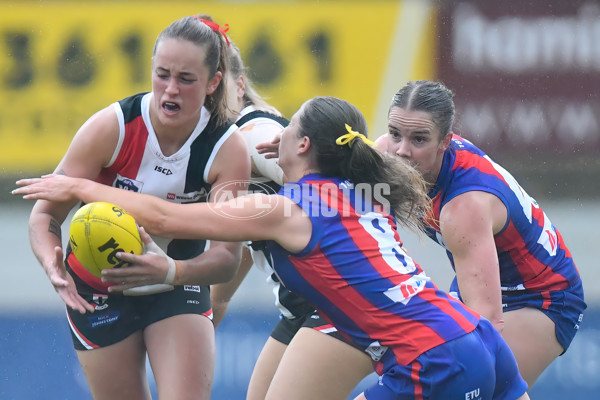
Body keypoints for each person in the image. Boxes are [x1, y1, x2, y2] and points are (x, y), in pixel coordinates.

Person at [15, 96, 530, 400]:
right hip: (477, 340)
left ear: (303, 145)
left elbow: (166, 216)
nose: (276, 134)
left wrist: (78, 187)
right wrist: (287, 156)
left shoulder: (287, 208)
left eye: (290, 130)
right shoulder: (360, 192)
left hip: (429, 358)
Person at [21, 15, 250, 400]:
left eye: (186, 79)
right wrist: (50, 262)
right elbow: (44, 215)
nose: (170, 90)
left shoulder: (227, 148)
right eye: (162, 74)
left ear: (214, 83)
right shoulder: (111, 127)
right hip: (97, 288)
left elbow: (227, 258)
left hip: (177, 282)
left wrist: (173, 270)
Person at [376, 80, 586, 388]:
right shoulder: (390, 152)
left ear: (445, 141)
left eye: (419, 139)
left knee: (464, 385)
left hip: (542, 299)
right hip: (485, 285)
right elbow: (324, 182)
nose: (402, 151)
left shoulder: (464, 207)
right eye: (395, 133)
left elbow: (486, 319)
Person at [213, 40, 374, 400]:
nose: (203, 94)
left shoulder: (251, 134)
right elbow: (221, 288)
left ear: (239, 86)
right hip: (301, 310)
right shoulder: (223, 149)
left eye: (214, 83)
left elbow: (338, 189)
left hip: (333, 305)